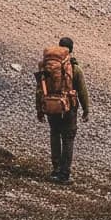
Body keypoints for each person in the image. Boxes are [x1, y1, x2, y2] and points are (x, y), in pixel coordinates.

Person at [36, 36, 89, 184]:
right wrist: (86, 109)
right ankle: (64, 174)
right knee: (68, 139)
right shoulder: (74, 67)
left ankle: (55, 170)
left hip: (50, 106)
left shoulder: (46, 66)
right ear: (71, 50)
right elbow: (82, 90)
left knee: (54, 135)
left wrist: (39, 110)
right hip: (68, 108)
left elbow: (40, 88)